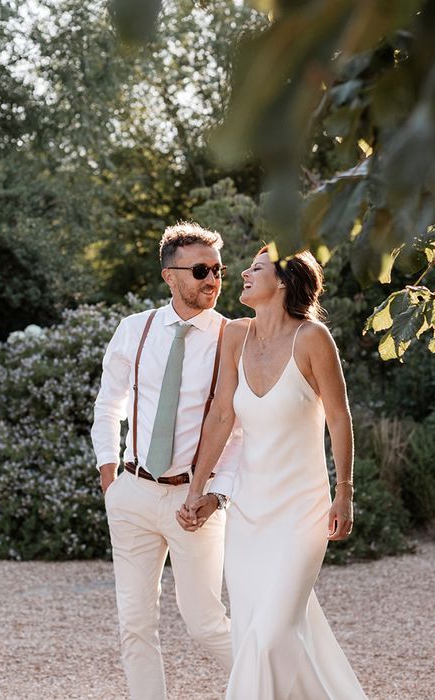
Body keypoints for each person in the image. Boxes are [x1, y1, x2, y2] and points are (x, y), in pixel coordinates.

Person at [178, 246, 369, 699]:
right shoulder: (235, 336)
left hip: (301, 514)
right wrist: (196, 489)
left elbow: (339, 417)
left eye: (256, 268)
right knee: (255, 636)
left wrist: (345, 492)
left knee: (271, 635)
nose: (242, 272)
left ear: (283, 281)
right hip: (248, 517)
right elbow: (221, 416)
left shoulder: (313, 338)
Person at [91, 222, 242, 700]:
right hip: (132, 492)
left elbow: (240, 428)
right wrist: (109, 474)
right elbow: (108, 403)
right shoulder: (134, 331)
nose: (212, 279)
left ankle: (276, 687)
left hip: (193, 500)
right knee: (134, 624)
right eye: (200, 270)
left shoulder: (233, 337)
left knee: (204, 621)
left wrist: (215, 495)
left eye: (218, 269)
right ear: (169, 277)